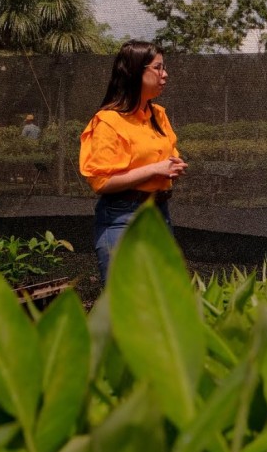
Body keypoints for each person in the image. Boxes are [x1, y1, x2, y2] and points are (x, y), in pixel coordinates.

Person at [79, 40, 188, 283]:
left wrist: (173, 166)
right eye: (158, 68)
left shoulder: (158, 114)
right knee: (126, 301)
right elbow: (101, 182)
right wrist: (155, 169)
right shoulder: (108, 121)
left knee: (161, 296)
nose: (165, 74)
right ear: (137, 71)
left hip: (159, 213)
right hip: (122, 217)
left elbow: (167, 153)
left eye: (164, 67)